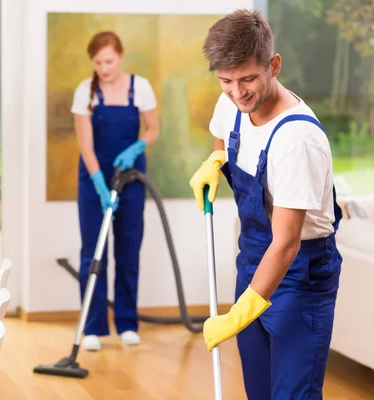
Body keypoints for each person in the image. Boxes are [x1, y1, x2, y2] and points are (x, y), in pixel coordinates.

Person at [189, 9, 343, 399]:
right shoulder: (231, 105)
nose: (238, 92)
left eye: (248, 79)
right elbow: (223, 139)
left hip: (301, 272)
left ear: (273, 65)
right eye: (226, 81)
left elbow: (287, 243)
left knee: (292, 394)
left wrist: (237, 316)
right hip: (254, 257)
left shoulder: (297, 140)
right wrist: (216, 162)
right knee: (257, 391)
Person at [70, 31, 160, 351]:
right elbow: (86, 146)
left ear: (120, 56)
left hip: (132, 177)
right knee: (93, 252)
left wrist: (138, 146)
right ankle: (93, 327)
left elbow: (153, 129)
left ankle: (126, 323)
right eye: (98, 63)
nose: (104, 68)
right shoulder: (86, 92)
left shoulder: (141, 87)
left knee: (128, 248)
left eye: (109, 61)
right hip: (94, 176)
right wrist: (98, 182)